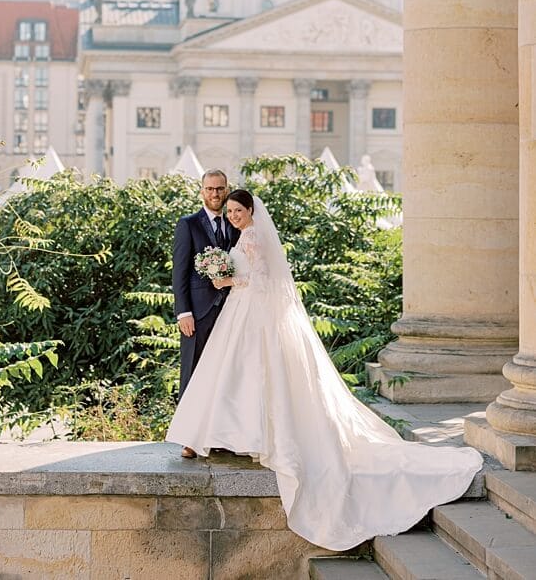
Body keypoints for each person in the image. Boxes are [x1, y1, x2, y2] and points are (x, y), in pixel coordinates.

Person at [166, 189, 482, 551]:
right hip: (243, 314)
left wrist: (228, 280)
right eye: (231, 211)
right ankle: (239, 436)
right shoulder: (245, 236)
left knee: (249, 376)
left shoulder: (252, 238)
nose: (234, 215)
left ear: (251, 210)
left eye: (239, 210)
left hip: (250, 313)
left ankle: (248, 436)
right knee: (237, 376)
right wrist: (228, 277)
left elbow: (264, 281)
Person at [171, 169, 240, 458]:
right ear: (202, 191)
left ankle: (220, 435)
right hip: (197, 313)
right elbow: (180, 271)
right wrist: (183, 312)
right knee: (193, 372)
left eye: (220, 189)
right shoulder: (188, 225)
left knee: (225, 374)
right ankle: (190, 438)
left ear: (227, 191)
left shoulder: (236, 224)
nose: (215, 194)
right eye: (210, 189)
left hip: (232, 311)